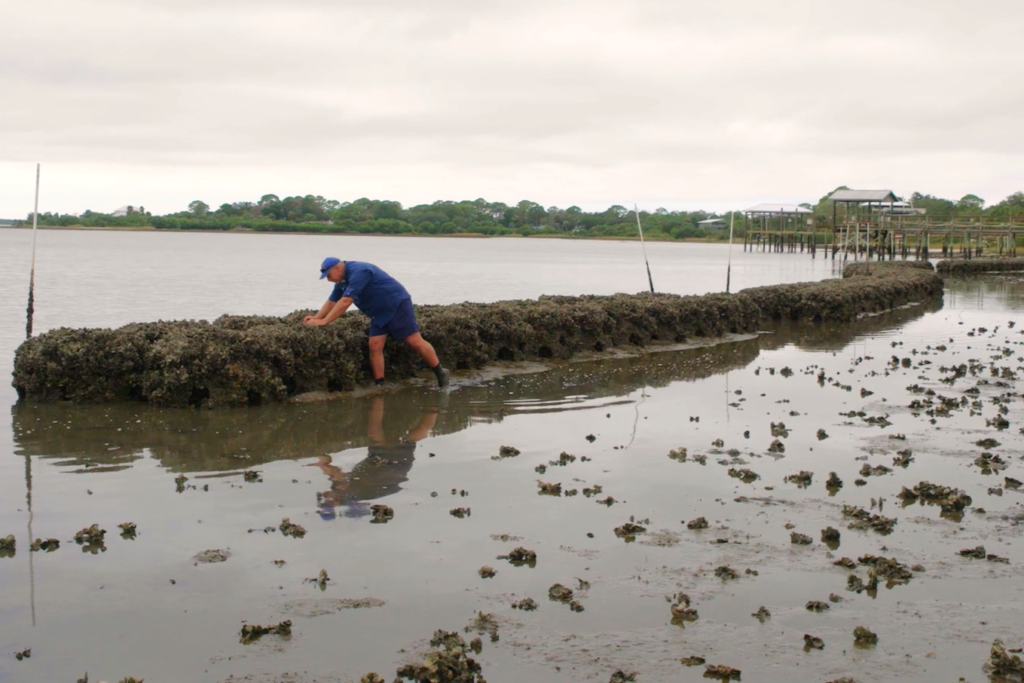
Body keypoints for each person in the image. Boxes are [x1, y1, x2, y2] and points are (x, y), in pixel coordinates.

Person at [304, 257, 449, 388]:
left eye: (328, 275)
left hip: (396, 304)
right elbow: (332, 301)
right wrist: (316, 318)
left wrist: (324, 321)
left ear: (337, 268)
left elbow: (346, 301)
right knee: (375, 345)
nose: (328, 279)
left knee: (414, 340)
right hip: (378, 312)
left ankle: (440, 372)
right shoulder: (341, 281)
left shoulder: (360, 271)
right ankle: (380, 384)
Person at [310, 395, 437, 519]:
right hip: (386, 469)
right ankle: (380, 398)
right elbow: (336, 474)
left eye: (321, 498)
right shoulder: (344, 493)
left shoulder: (345, 494)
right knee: (380, 433)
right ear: (334, 502)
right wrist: (323, 463)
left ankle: (432, 405)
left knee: (405, 438)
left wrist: (324, 465)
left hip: (392, 471)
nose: (324, 495)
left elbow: (335, 475)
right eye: (325, 499)